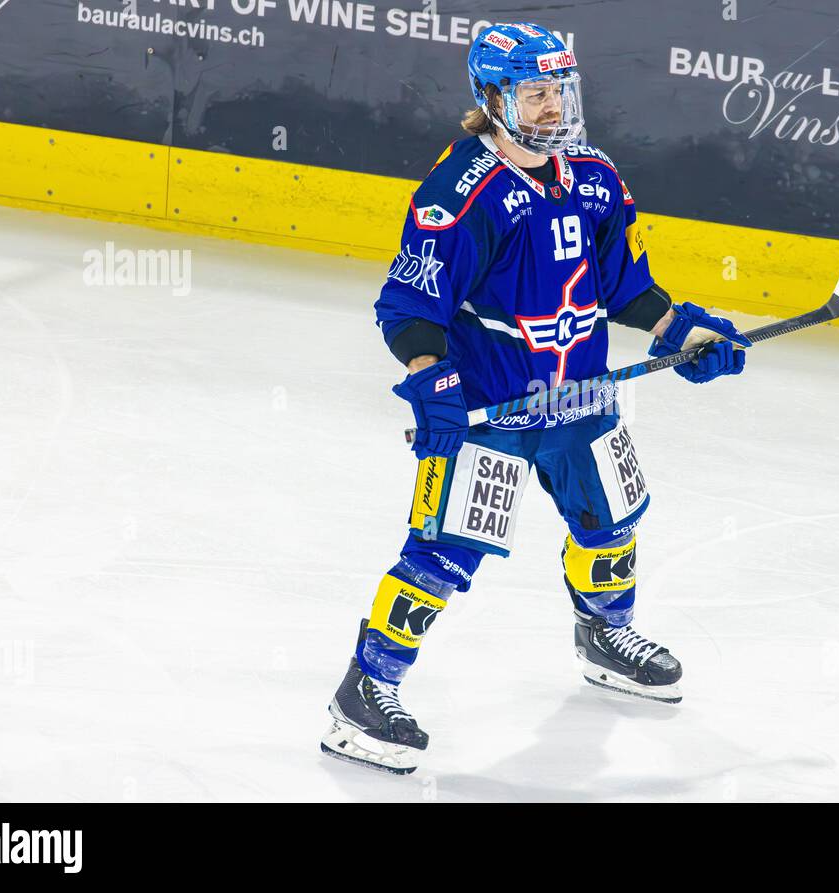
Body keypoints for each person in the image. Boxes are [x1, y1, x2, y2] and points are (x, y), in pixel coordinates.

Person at [321, 22, 749, 774]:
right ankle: (363, 691)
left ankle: (605, 635)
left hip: (581, 398)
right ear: (492, 98)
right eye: (536, 93)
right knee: (445, 554)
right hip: (494, 410)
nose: (554, 108)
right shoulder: (462, 191)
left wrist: (679, 330)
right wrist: (431, 381)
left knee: (613, 518)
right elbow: (409, 308)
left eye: (560, 91)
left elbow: (626, 286)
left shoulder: (593, 175)